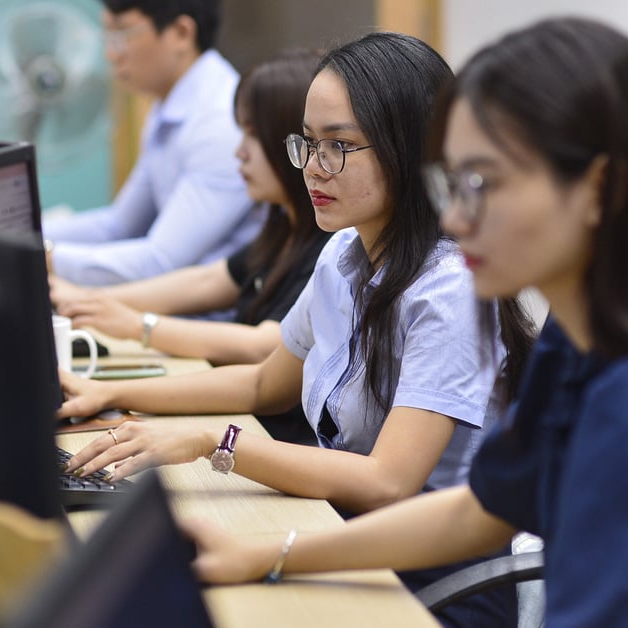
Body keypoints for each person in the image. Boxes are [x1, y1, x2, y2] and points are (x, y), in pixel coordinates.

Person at [182, 18, 628, 627]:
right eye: (452, 184)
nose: (458, 220)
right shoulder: (576, 345)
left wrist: (229, 454)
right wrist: (275, 555)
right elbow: (480, 510)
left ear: (601, 189)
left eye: (485, 185)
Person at [62, 32, 534, 625]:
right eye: (307, 143)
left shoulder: (451, 290)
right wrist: (114, 394)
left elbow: (389, 482)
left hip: (433, 577)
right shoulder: (342, 256)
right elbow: (265, 385)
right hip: (340, 528)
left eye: (338, 146)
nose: (314, 168)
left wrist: (216, 443)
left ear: (410, 150)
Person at [50, 48, 331, 444]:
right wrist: (92, 301)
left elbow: (262, 347)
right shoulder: (282, 229)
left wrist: (139, 325)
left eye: (254, 133)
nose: (239, 151)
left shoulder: (330, 246)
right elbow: (204, 282)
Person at [42, 0, 264, 286]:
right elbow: (119, 225)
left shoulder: (219, 121)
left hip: (213, 318)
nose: (111, 53)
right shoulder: (167, 105)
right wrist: (24, 234)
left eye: (122, 35)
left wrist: (41, 255)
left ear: (181, 33)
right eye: (108, 36)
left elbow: (159, 262)